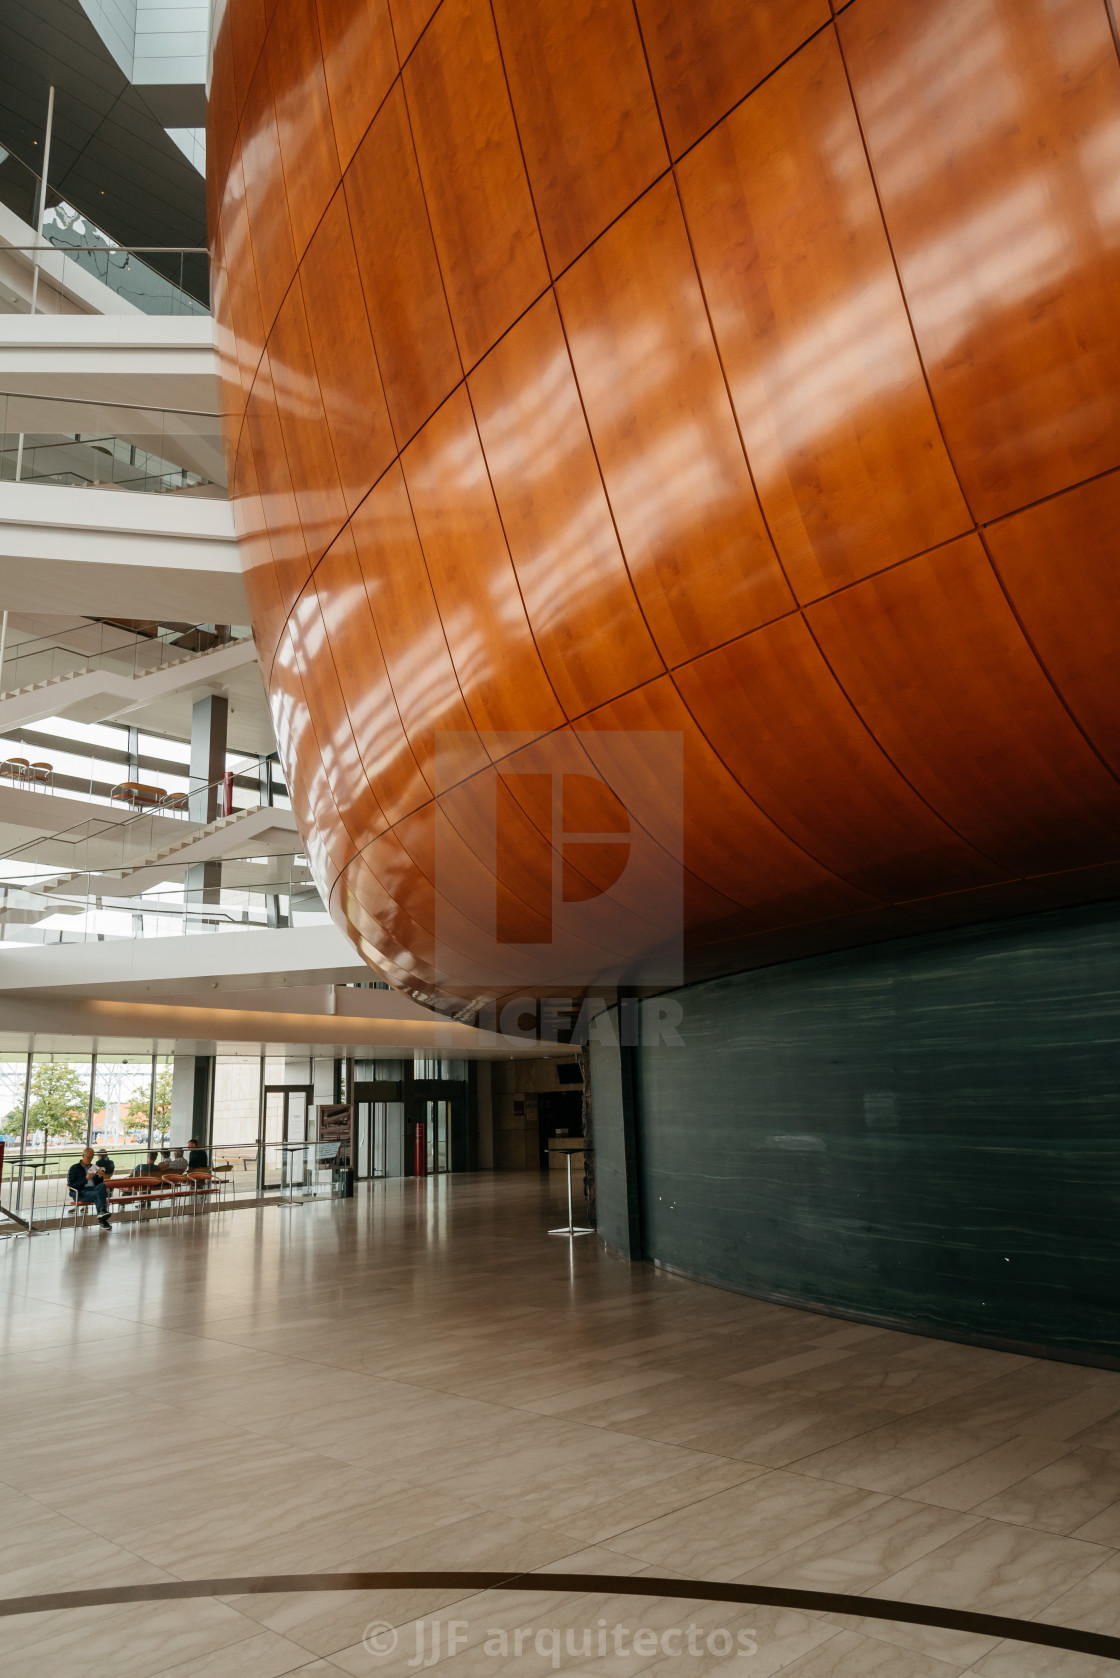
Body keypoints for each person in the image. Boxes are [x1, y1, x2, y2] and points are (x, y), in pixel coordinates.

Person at [67, 1148, 111, 1229]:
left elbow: (99, 1184)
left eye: (91, 1157)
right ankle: (102, 1218)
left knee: (102, 1186)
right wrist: (86, 1179)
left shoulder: (94, 1167)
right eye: (87, 1157)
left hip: (93, 1189)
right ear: (82, 1155)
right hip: (80, 1192)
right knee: (97, 1195)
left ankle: (102, 1212)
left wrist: (100, 1177)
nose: (89, 1159)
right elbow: (71, 1184)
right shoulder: (74, 1168)